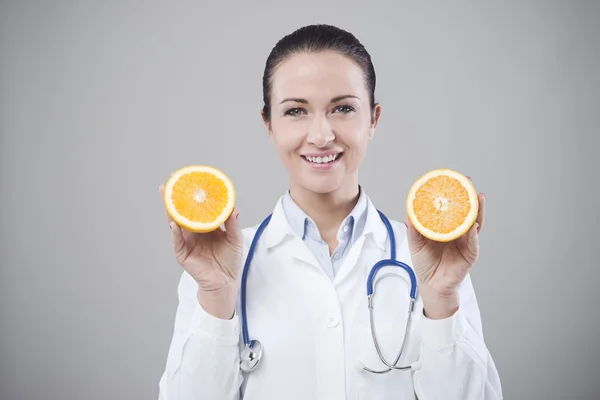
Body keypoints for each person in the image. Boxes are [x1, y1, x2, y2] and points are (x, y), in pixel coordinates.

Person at [157, 24, 502, 400]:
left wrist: (441, 300)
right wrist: (217, 296)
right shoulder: (217, 268)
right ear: (268, 124)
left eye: (343, 108)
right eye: (295, 111)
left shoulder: (431, 261)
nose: (321, 135)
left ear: (373, 119)